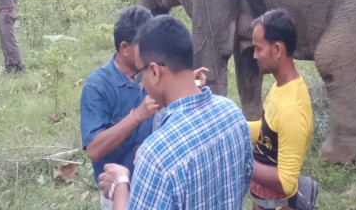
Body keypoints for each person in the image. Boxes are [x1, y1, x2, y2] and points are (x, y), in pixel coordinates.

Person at [98, 15, 253, 210]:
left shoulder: (157, 155)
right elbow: (245, 176)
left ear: (154, 72)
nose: (142, 83)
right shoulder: (232, 113)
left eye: (140, 75)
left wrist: (120, 186)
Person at [80, 6, 157, 210]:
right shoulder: (97, 86)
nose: (153, 51)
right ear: (125, 48)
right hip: (117, 190)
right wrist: (137, 116)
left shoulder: (152, 73)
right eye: (146, 45)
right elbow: (94, 150)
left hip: (152, 185)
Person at [248, 9, 318, 210]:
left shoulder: (292, 109)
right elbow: (267, 129)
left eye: (258, 49)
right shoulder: (280, 87)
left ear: (277, 50)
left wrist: (243, 161)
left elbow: (286, 181)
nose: (254, 55)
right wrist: (235, 128)